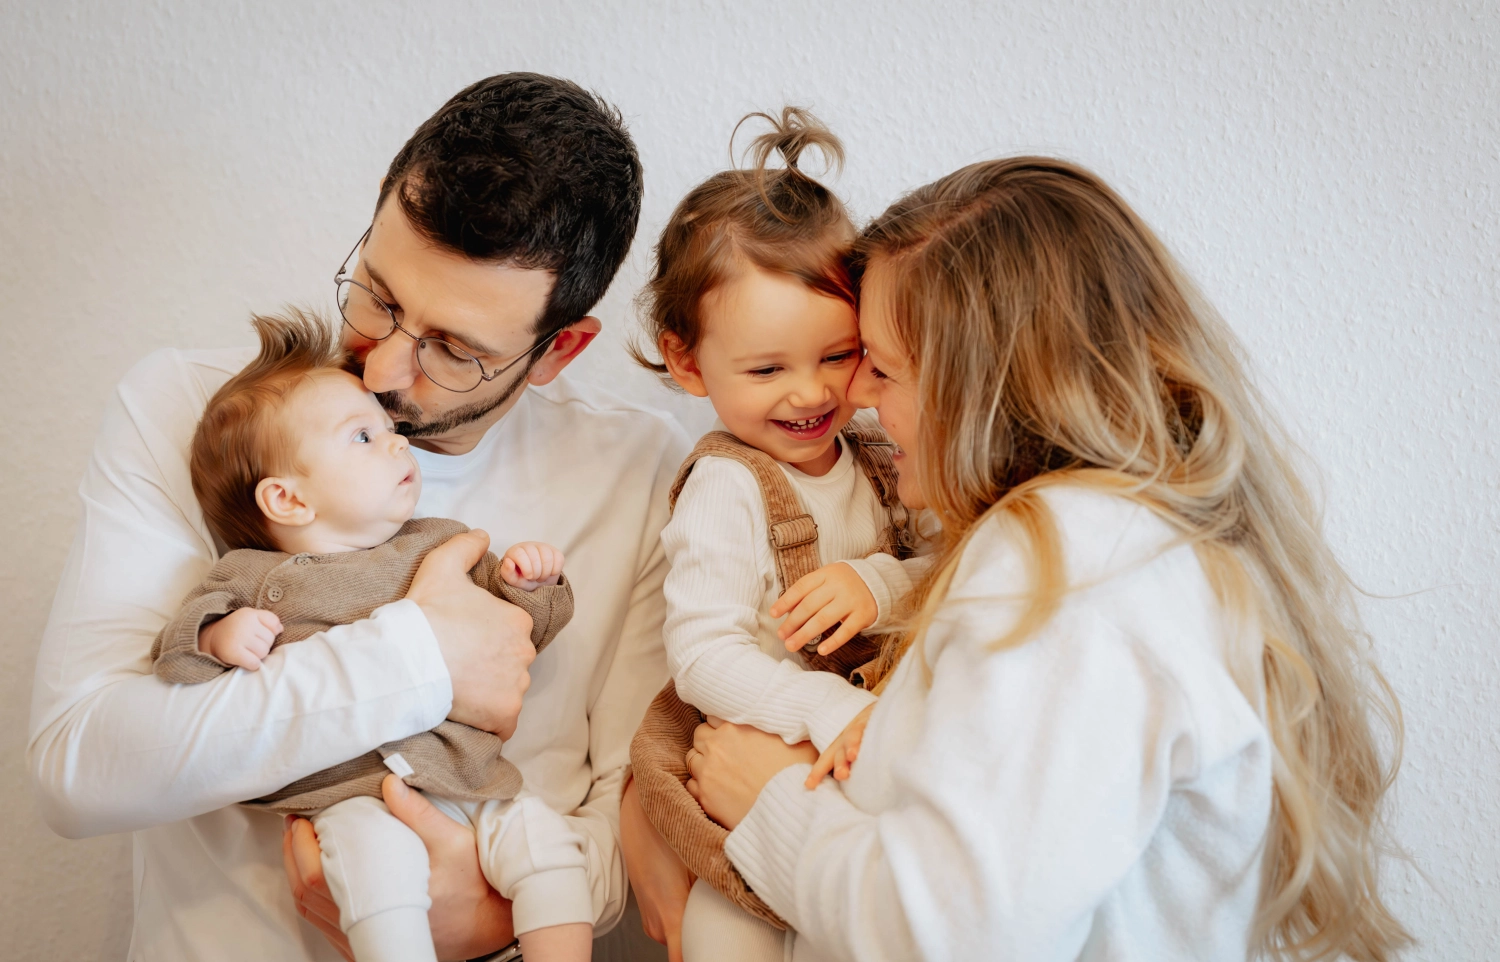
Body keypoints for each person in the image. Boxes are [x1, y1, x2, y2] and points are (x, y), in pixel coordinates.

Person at [679, 158, 1411, 961]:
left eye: (880, 367)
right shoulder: (1092, 546)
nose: (853, 398)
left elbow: (950, 933)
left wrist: (768, 799)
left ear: (978, 388)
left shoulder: (1069, 570)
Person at [29, 73, 689, 962]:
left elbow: (634, 802)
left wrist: (485, 924)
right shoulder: (192, 412)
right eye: (377, 294)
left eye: (455, 349)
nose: (381, 369)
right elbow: (79, 772)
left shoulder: (643, 469)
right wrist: (422, 655)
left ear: (557, 351)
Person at [150, 309, 591, 962]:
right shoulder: (250, 578)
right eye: (362, 437)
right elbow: (174, 661)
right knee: (377, 877)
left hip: (470, 779)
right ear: (289, 501)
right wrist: (219, 637)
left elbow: (518, 636)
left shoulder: (437, 543)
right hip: (349, 799)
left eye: (388, 430)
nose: (396, 443)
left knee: (550, 849)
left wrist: (531, 587)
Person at [622, 109, 926, 962]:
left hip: (864, 754)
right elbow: (705, 657)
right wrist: (827, 707)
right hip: (757, 755)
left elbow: (952, 562)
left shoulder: (889, 455)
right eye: (765, 370)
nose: (811, 394)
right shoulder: (727, 485)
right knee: (733, 933)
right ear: (687, 364)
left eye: (838, 355)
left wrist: (879, 583)